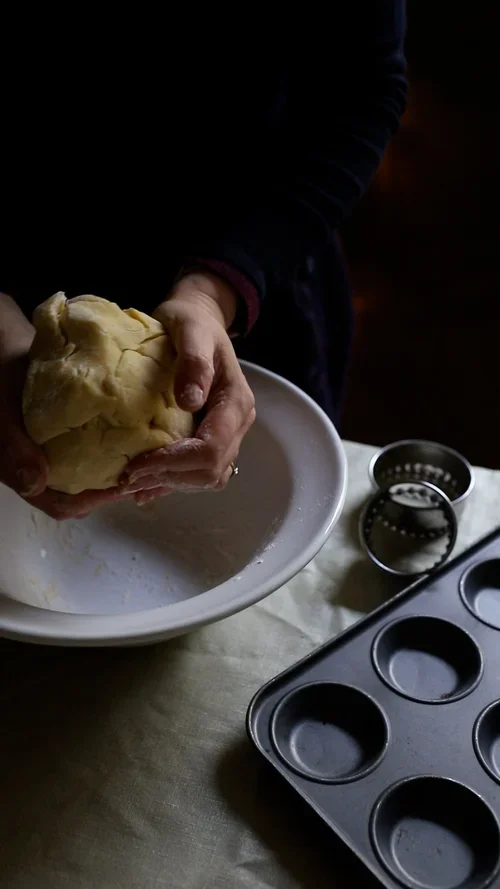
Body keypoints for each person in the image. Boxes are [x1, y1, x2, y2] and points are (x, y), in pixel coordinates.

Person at [0, 3, 407, 520]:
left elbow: (363, 88)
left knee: (277, 516)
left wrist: (216, 289)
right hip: (21, 296)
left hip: (254, 266)